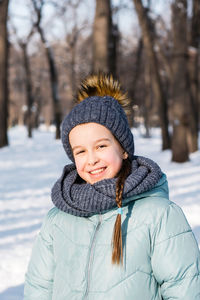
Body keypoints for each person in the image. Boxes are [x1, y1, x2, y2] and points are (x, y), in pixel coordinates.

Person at [24, 74, 200, 300]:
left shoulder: (159, 215)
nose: (92, 159)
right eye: (81, 151)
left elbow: (185, 288)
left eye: (101, 146)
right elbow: (39, 287)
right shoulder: (58, 219)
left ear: (123, 149)